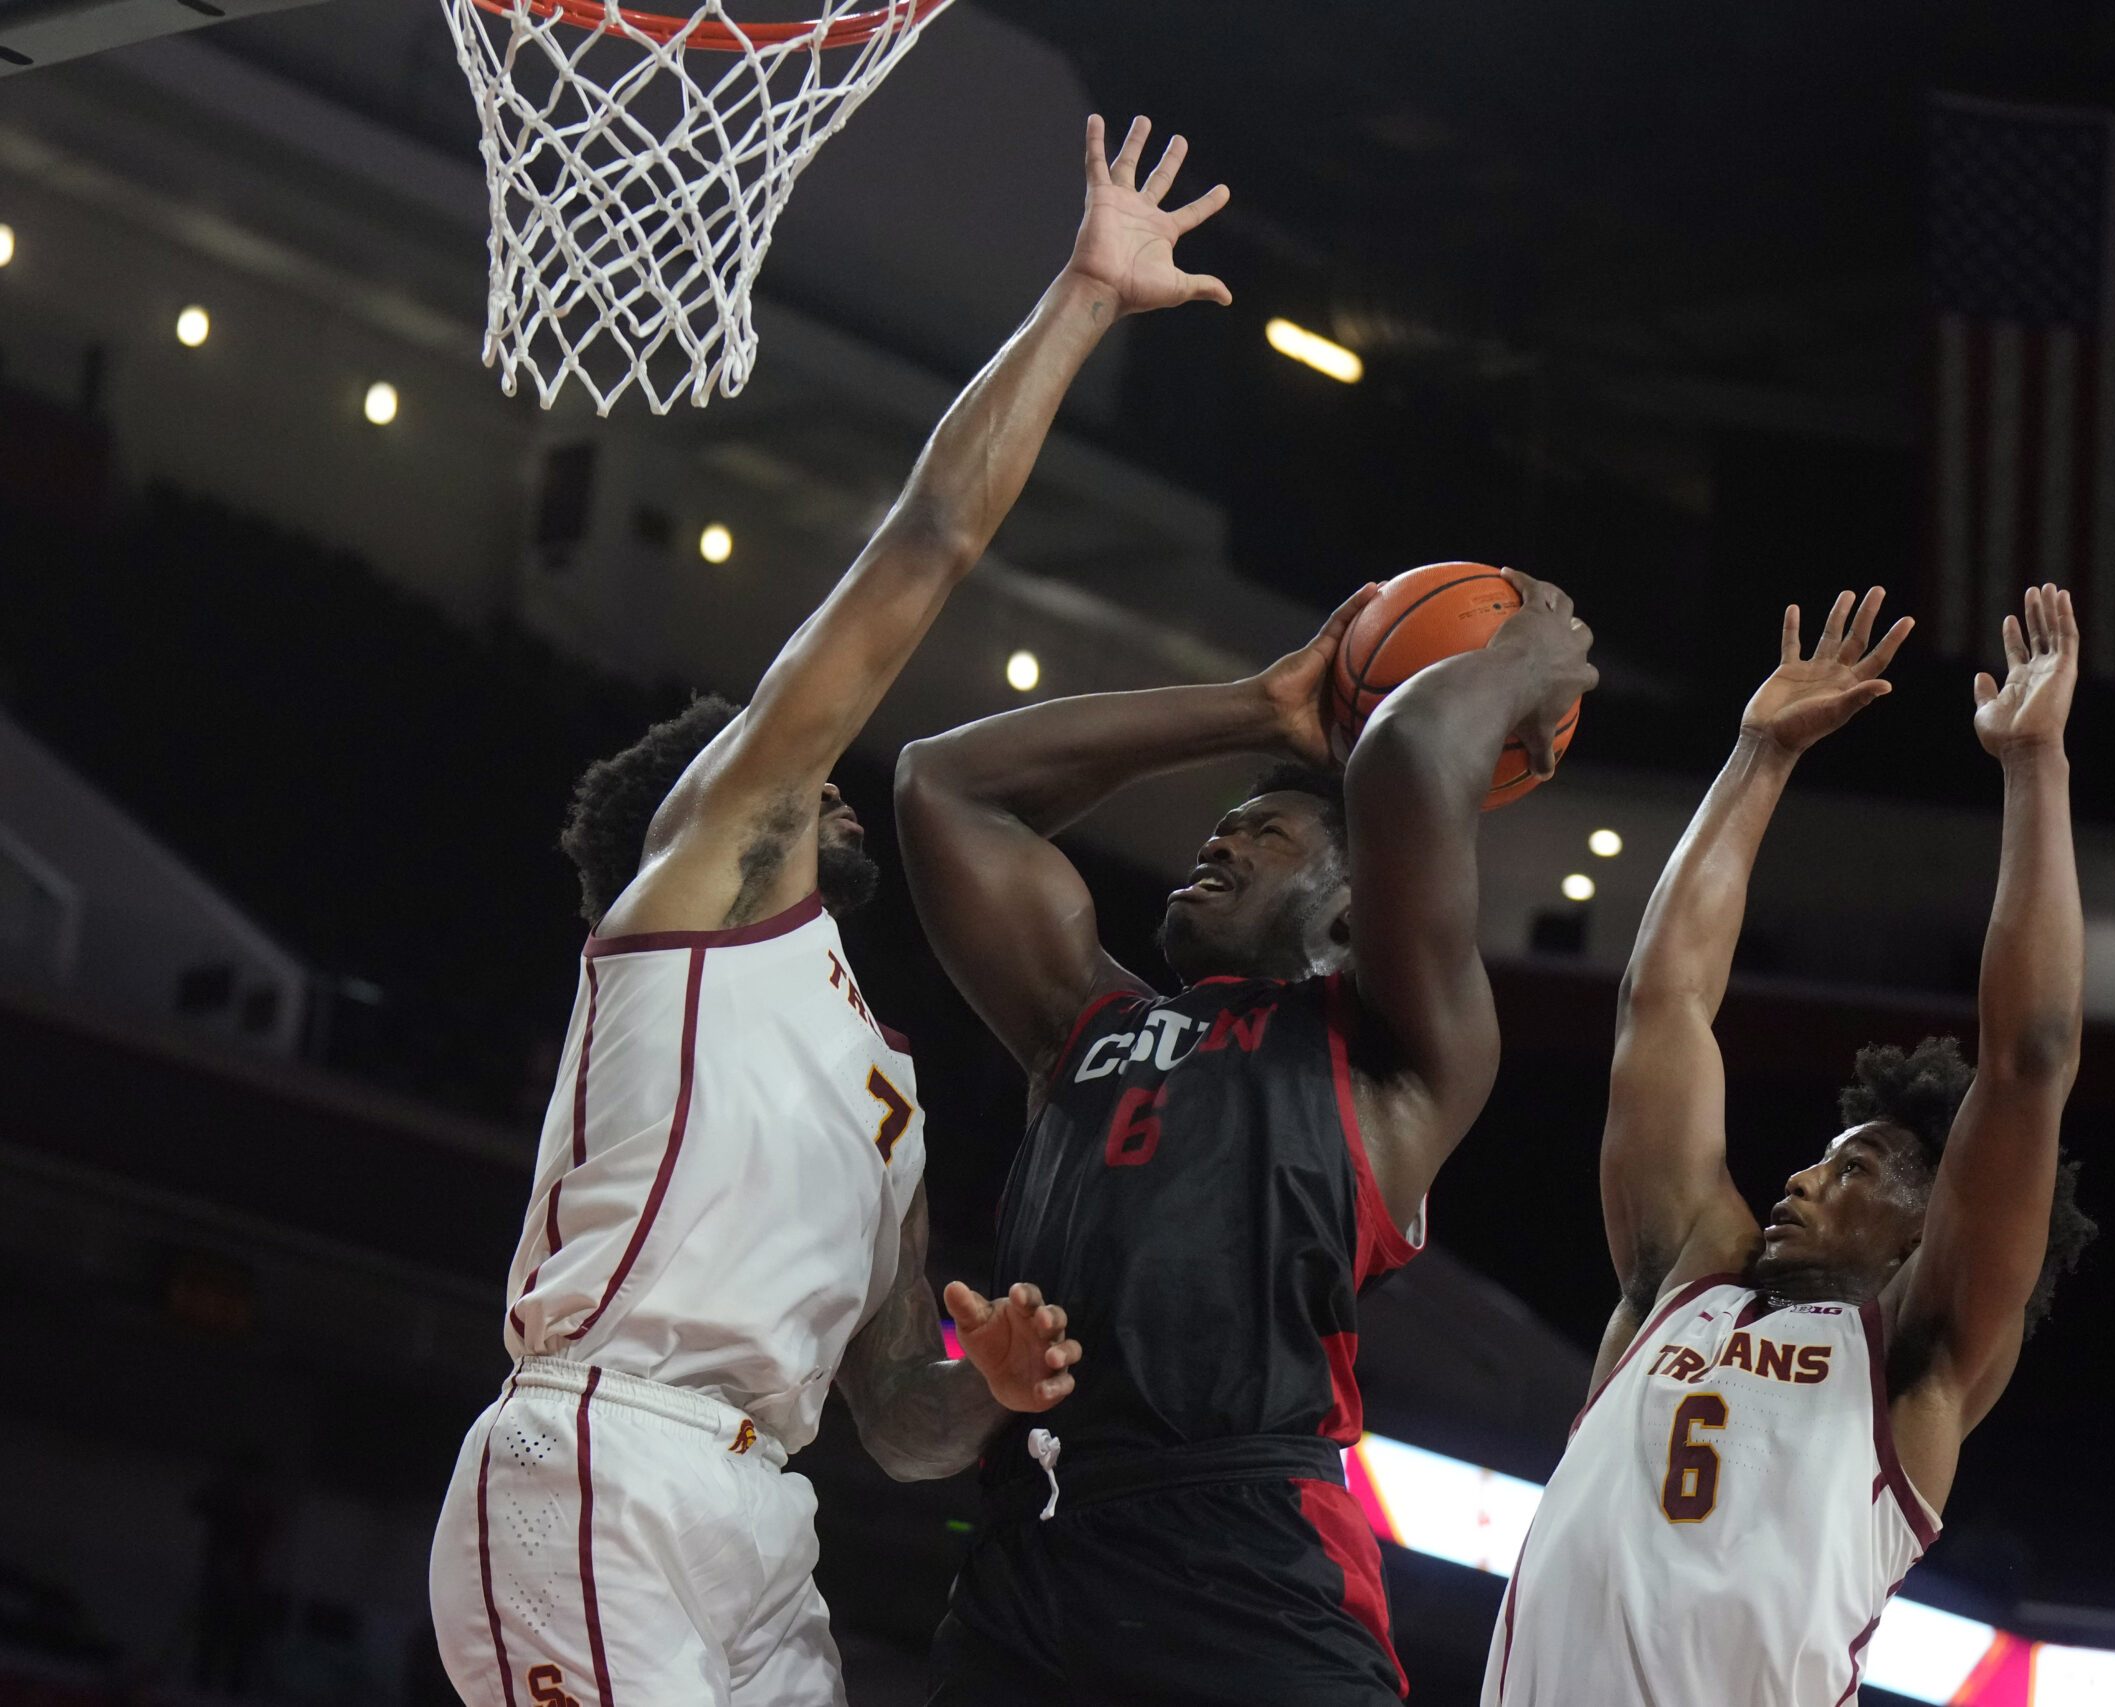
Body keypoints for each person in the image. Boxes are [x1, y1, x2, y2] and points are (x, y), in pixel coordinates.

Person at [425, 113, 1235, 1707]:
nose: (824, 776)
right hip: (605, 1454)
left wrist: (989, 1384)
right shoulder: (705, 886)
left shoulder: (886, 1085)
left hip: (759, 1512)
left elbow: (898, 1420)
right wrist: (1080, 297)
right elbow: (926, 542)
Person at [894, 572, 1597, 1704]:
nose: (1215, 846)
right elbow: (945, 784)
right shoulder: (1084, 1021)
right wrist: (1255, 708)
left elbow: (1407, 758)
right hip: (1033, 1545)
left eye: (1263, 836)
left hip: (1244, 1553)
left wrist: (1522, 661)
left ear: (1353, 909)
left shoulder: (1394, 1053)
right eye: (1221, 830)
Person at [1485, 585, 2100, 1707]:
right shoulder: (1684, 1275)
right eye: (1823, 1155)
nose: (1804, 1176)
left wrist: (2032, 769)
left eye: (1855, 1168)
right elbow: (1661, 1001)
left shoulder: (1914, 1359)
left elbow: (2030, 1061)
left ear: (1928, 1221)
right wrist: (1757, 754)